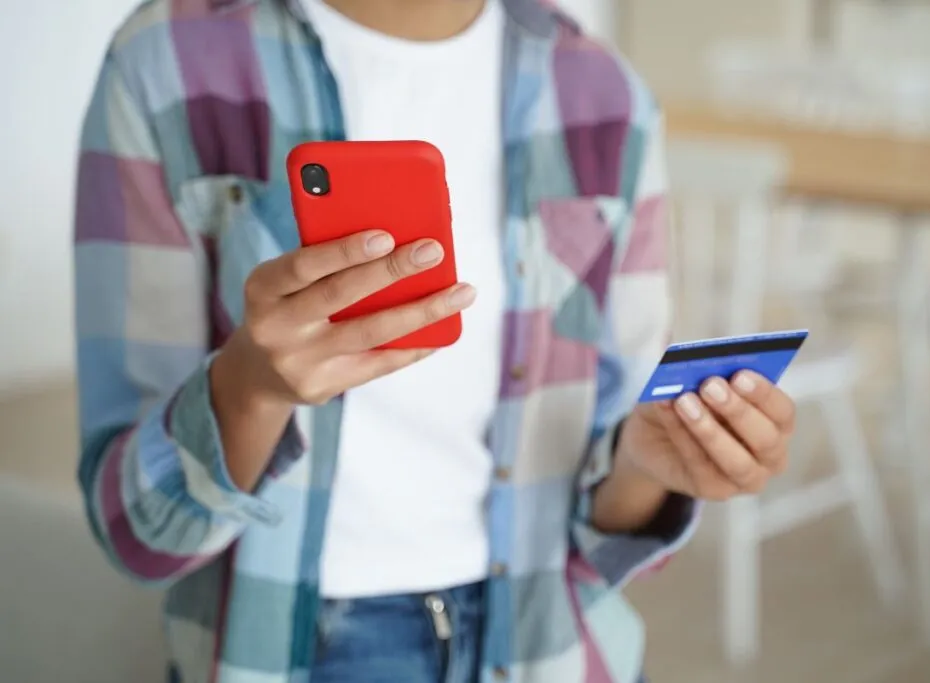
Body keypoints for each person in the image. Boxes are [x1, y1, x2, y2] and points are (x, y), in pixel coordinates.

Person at [72, 0, 796, 681]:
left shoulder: (605, 93)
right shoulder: (165, 61)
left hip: (554, 646)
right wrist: (249, 389)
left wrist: (648, 463)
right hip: (300, 647)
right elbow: (138, 529)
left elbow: (608, 510)